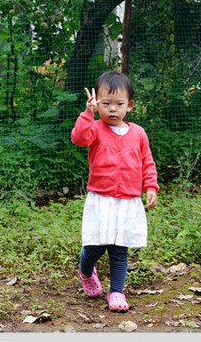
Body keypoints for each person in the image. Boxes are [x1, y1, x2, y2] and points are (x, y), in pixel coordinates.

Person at [71, 70, 159, 312]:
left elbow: (147, 162)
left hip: (128, 201)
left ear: (129, 105)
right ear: (97, 103)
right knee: (95, 246)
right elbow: (78, 139)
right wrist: (87, 114)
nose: (112, 109)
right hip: (101, 199)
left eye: (118, 104)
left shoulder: (139, 133)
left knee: (120, 248)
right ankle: (86, 272)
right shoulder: (95, 129)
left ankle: (116, 293)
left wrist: (150, 186)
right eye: (106, 104)